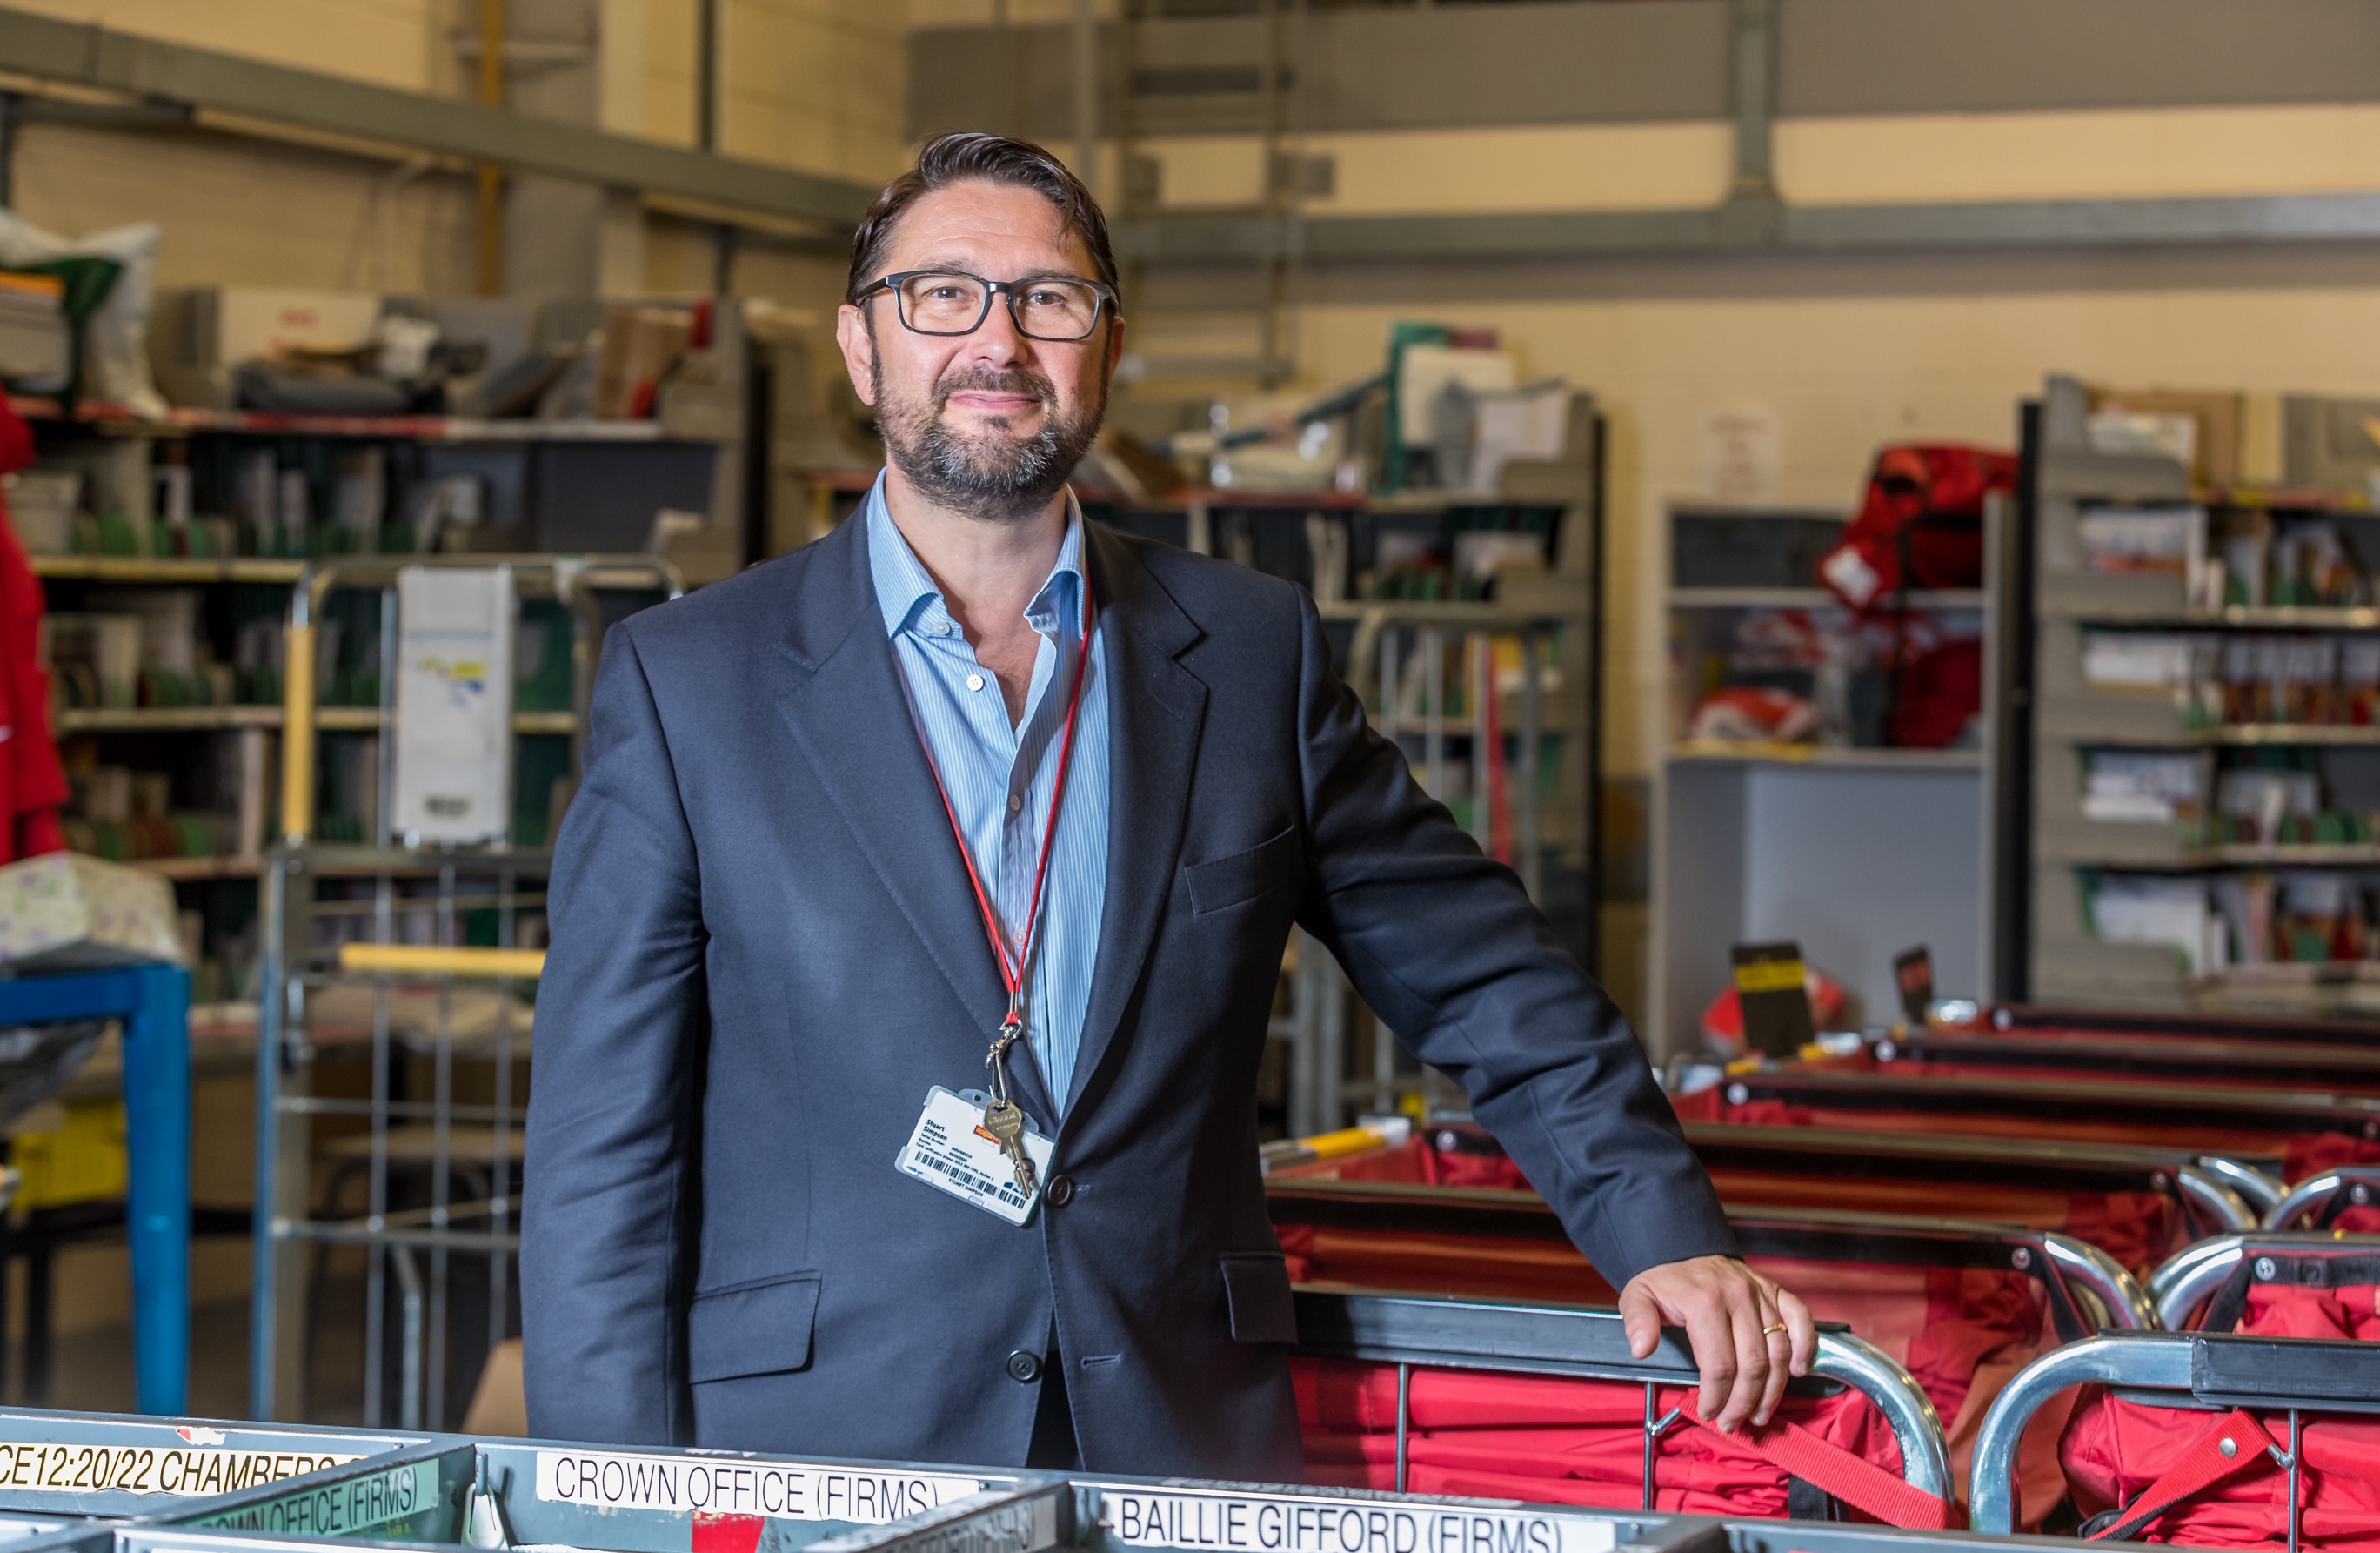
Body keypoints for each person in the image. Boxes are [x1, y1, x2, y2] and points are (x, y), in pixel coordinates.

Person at [521, 131, 1813, 1478]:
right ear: (864, 348)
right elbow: (602, 1157)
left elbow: (1484, 975)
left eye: (1051, 299)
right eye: (942, 295)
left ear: (1108, 351)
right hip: (816, 1449)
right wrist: (607, 1507)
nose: (999, 341)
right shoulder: (693, 686)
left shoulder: (1251, 655)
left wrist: (1664, 1230)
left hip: (1171, 1439)